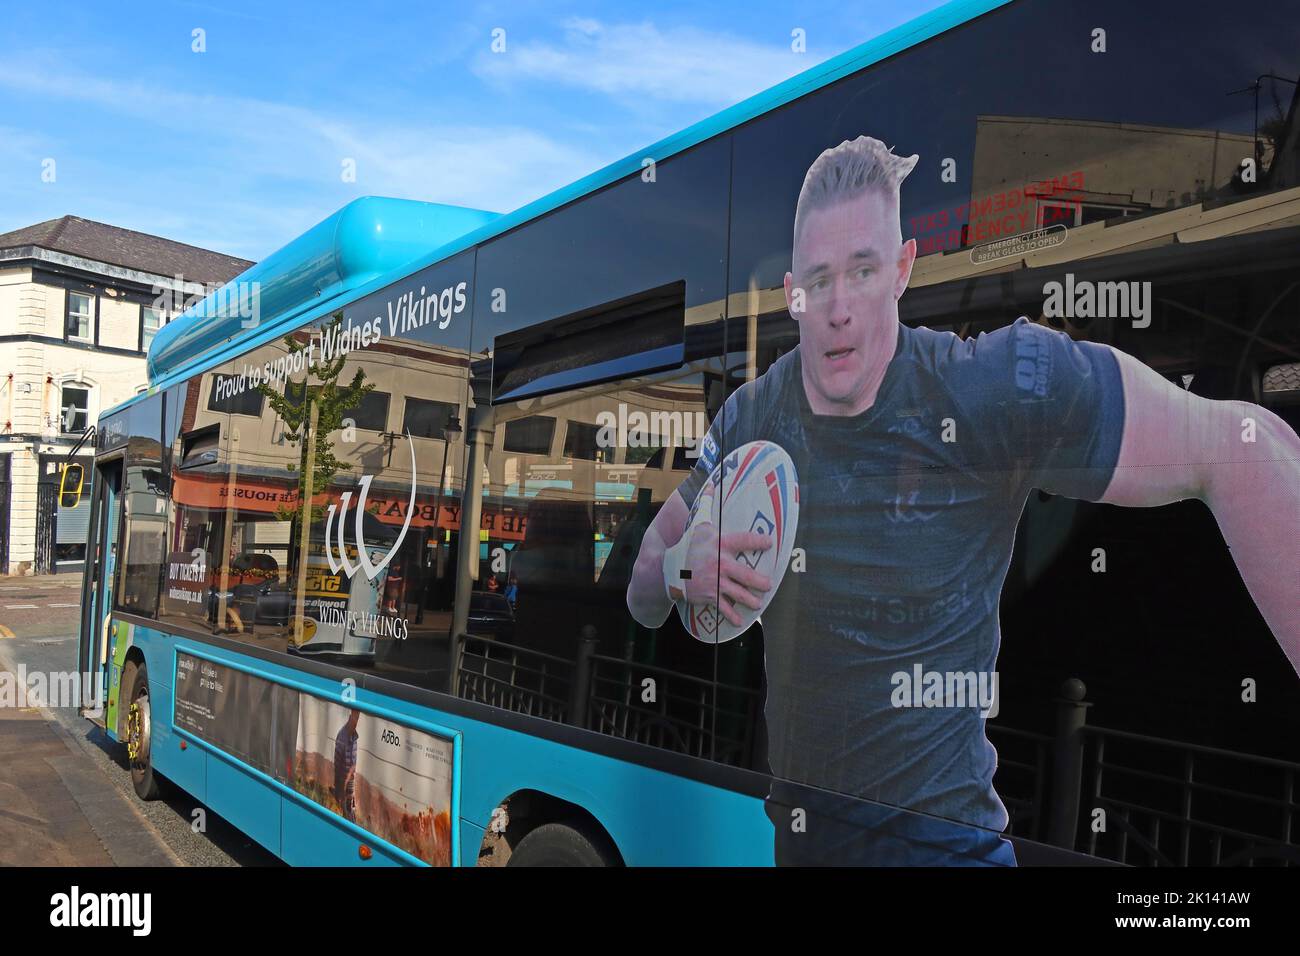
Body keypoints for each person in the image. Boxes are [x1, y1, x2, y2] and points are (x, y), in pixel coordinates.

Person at [626, 135, 1300, 865]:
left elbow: (1242, 442)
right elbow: (645, 585)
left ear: (903, 270)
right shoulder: (752, 416)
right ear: (793, 291)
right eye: (819, 281)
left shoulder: (993, 386)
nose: (840, 307)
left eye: (863, 270)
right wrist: (679, 572)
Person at [333, 708, 361, 822]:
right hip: (343, 784)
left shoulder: (354, 737)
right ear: (351, 716)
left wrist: (351, 774)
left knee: (351, 812)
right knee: (344, 813)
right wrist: (340, 787)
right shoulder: (342, 736)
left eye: (358, 717)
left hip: (350, 783)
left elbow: (353, 762)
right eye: (356, 716)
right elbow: (337, 764)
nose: (357, 720)